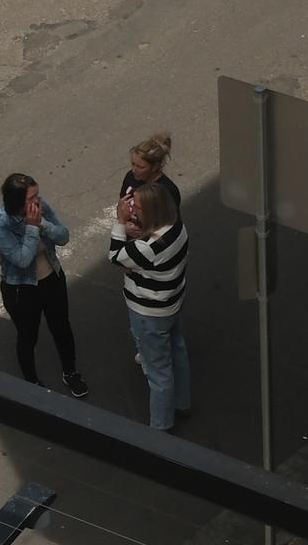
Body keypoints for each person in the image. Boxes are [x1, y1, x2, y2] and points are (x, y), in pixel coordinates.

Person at [0, 174, 89, 397]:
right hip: (21, 288)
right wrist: (33, 228)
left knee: (61, 327)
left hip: (52, 278)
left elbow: (63, 236)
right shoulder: (1, 224)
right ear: (16, 201)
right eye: (31, 197)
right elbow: (22, 259)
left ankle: (71, 371)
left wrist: (42, 222)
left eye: (37, 195)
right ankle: (31, 380)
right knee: (27, 336)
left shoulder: (41, 208)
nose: (38, 201)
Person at [110, 183, 190, 431]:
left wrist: (120, 222)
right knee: (177, 350)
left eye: (139, 207)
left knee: (158, 372)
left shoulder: (147, 247)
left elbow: (115, 256)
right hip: (172, 303)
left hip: (148, 313)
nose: (134, 210)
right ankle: (182, 402)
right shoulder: (177, 228)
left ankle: (160, 426)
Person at [120, 133, 180, 239]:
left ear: (155, 167)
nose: (134, 170)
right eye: (133, 164)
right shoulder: (130, 177)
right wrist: (124, 225)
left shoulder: (168, 190)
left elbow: (169, 224)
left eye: (140, 167)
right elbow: (121, 205)